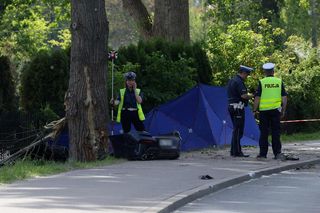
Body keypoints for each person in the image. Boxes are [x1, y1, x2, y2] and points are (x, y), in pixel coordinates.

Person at [253, 63, 287, 159]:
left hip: (264, 111)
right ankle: (277, 153)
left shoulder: (262, 82)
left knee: (264, 133)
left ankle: (263, 154)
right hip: (276, 110)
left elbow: (257, 97)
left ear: (265, 72)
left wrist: (254, 110)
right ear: (273, 71)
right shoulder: (279, 81)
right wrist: (283, 110)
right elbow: (284, 97)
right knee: (276, 132)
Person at [227, 65, 254, 157]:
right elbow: (243, 96)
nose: (247, 76)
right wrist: (253, 95)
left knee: (235, 130)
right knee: (238, 131)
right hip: (238, 108)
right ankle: (237, 152)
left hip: (232, 107)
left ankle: (233, 151)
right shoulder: (239, 82)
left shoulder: (232, 80)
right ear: (243, 72)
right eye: (247, 74)